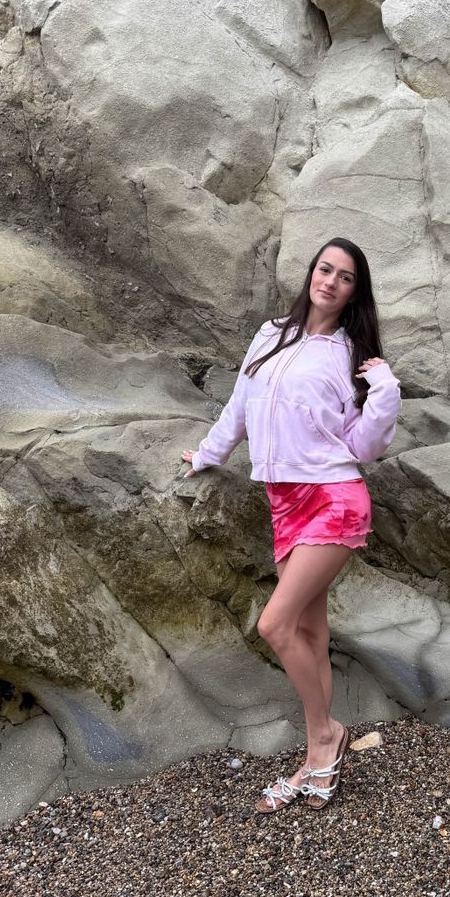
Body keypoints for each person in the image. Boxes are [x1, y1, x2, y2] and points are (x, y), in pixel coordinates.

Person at [180, 238, 401, 814]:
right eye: (325, 269)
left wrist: (385, 391)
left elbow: (364, 446)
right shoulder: (271, 333)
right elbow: (239, 404)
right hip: (284, 502)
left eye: (345, 277)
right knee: (309, 633)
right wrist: (208, 453)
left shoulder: (351, 356)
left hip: (334, 498)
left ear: (354, 292)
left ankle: (326, 736)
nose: (331, 281)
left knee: (275, 624)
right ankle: (315, 758)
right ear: (311, 274)